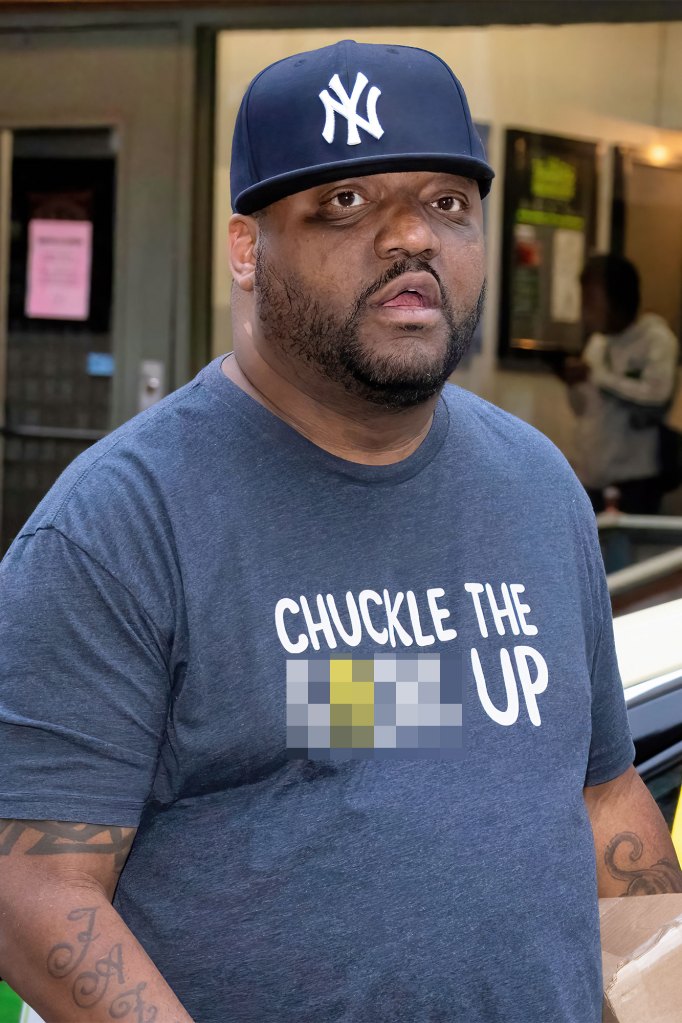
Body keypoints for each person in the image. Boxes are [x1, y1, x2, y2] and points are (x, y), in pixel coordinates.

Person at [0, 39, 680, 1023]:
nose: (411, 239)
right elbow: (34, 888)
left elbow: (603, 798)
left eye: (446, 203)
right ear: (246, 246)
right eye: (347, 204)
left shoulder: (536, 487)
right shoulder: (122, 523)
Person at [564, 253, 679, 514]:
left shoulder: (656, 339)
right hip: (591, 481)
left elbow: (655, 396)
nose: (583, 309)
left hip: (635, 485)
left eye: (591, 299)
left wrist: (596, 377)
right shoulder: (598, 343)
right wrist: (574, 385)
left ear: (617, 299)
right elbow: (582, 409)